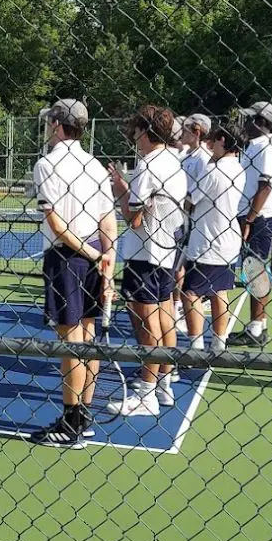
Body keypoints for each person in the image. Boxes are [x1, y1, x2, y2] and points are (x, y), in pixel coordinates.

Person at [26, 99, 117, 449]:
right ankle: (82, 416)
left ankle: (71, 422)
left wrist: (96, 254)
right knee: (88, 336)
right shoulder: (94, 165)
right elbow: (108, 219)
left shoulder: (47, 164)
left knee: (71, 343)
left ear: (56, 124)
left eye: (50, 121)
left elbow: (56, 224)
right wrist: (108, 257)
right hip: (93, 256)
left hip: (68, 259)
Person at [108, 105, 187, 416]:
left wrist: (119, 190)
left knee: (145, 323)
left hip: (145, 255)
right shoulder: (174, 162)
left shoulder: (149, 164)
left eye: (137, 129)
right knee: (165, 317)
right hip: (167, 252)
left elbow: (133, 218)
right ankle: (164, 383)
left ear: (145, 131)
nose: (134, 135)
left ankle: (146, 393)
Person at [182, 126, 246, 355]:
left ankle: (196, 347)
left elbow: (191, 200)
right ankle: (219, 344)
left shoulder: (214, 170)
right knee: (219, 291)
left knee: (190, 294)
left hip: (207, 241)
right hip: (227, 241)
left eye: (214, 141)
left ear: (222, 141)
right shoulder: (238, 168)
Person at [228, 101, 272, 347]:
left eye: (250, 119)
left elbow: (266, 185)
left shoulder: (267, 149)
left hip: (260, 218)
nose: (245, 123)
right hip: (251, 216)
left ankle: (258, 327)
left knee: (256, 269)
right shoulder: (254, 146)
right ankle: (256, 324)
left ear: (260, 123)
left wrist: (249, 219)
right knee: (252, 269)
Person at [175, 113, 213, 335]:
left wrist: (182, 204)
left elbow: (197, 195)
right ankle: (180, 307)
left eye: (187, 128)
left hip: (191, 221)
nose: (182, 132)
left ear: (197, 131)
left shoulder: (203, 159)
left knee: (182, 268)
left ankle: (182, 309)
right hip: (180, 219)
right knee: (177, 267)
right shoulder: (187, 156)